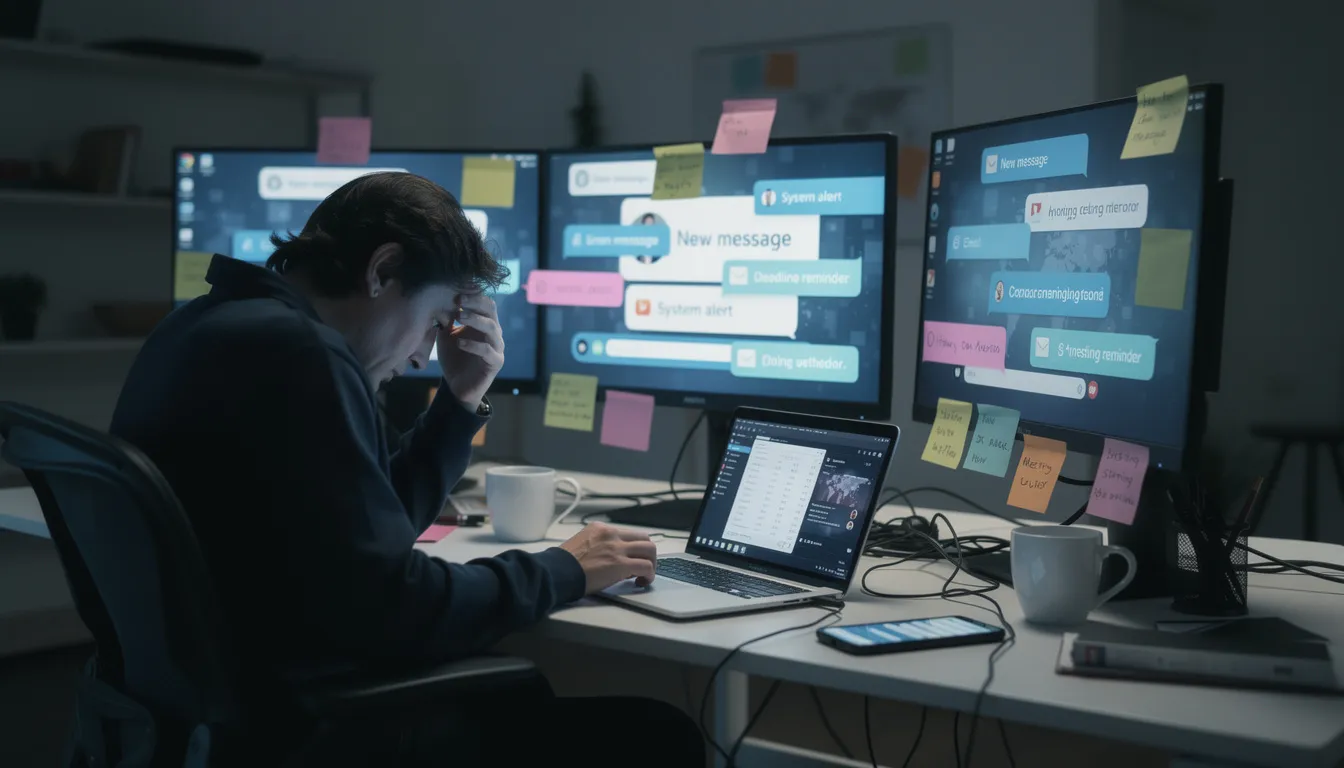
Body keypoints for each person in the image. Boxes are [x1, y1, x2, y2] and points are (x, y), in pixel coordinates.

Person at [110, 172, 704, 767]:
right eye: (436, 319)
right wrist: (563, 569)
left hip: (217, 711)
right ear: (383, 271)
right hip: (304, 724)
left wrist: (460, 400)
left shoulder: (204, 325)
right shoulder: (302, 356)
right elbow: (396, 607)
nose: (425, 354)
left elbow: (375, 526)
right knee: (659, 735)